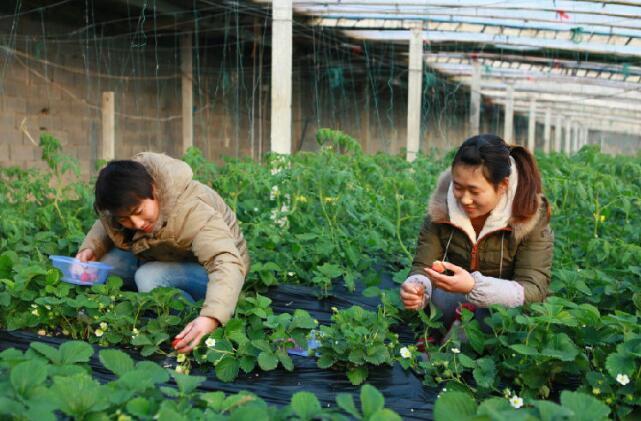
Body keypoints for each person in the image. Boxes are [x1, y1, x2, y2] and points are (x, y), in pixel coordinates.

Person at [76, 152, 249, 353]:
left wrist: (211, 318)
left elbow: (225, 261)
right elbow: (107, 223)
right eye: (125, 219)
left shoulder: (192, 209)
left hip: (219, 273)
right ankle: (135, 306)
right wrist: (90, 248)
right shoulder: (130, 200)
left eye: (139, 212)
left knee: (149, 278)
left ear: (153, 190)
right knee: (104, 266)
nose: (137, 224)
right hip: (164, 256)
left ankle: (185, 322)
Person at [400, 134, 553, 335]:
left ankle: (457, 348)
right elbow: (423, 266)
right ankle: (451, 343)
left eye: (474, 191)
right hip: (454, 301)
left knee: (504, 318)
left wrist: (474, 286)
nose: (464, 199)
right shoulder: (441, 209)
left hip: (502, 314)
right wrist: (417, 287)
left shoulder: (529, 215)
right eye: (458, 187)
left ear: (502, 186)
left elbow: (534, 290)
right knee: (440, 299)